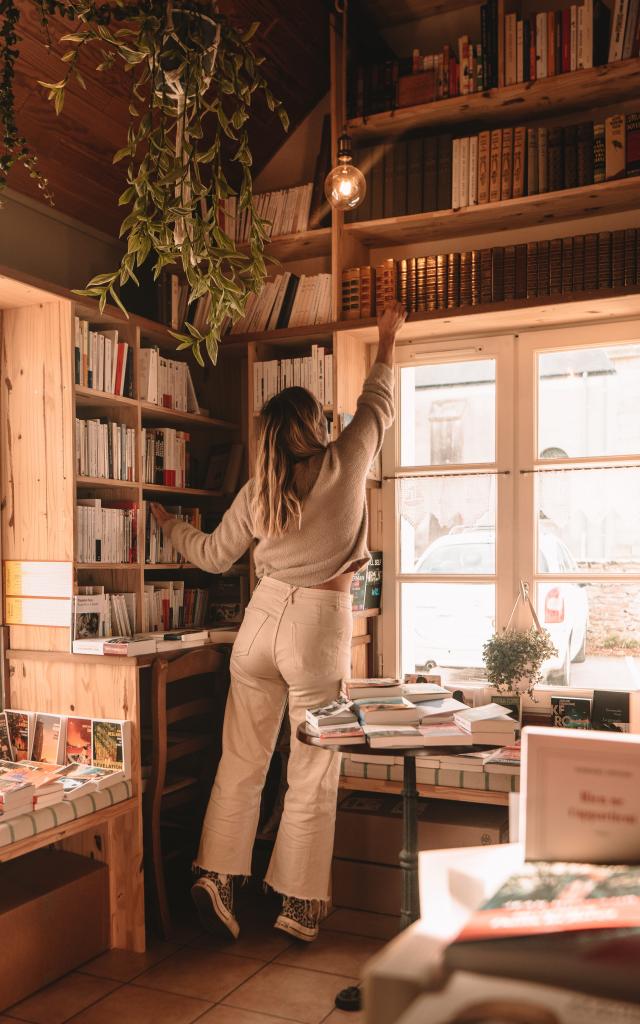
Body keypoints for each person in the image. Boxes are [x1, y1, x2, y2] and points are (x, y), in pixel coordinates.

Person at [150, 300, 406, 942]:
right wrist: (384, 340)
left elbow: (211, 555)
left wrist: (169, 526)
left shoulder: (257, 489)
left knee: (240, 760)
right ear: (313, 425)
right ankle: (296, 903)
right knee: (312, 767)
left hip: (258, 625)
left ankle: (217, 875)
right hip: (317, 626)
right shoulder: (343, 462)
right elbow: (378, 404)